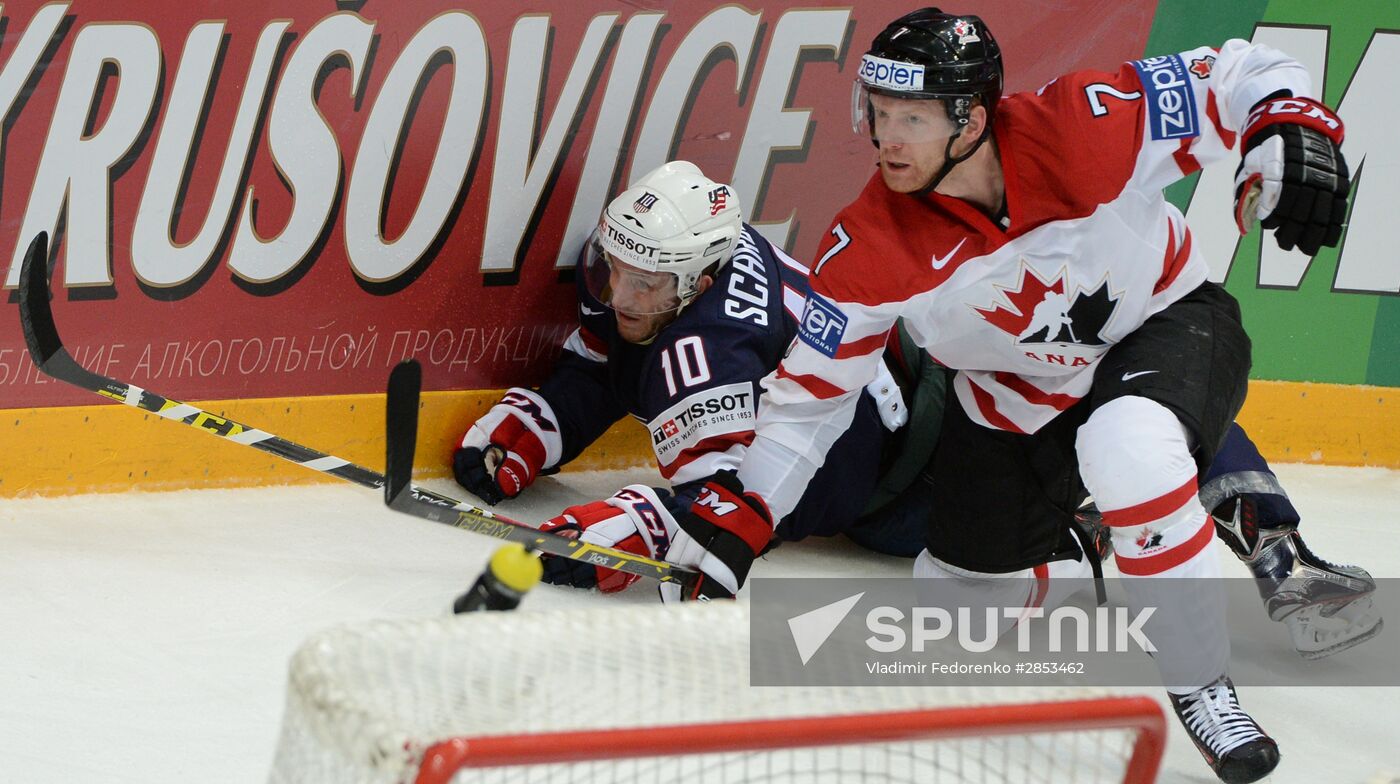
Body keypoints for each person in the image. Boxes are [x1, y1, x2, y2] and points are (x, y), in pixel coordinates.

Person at [657, 9, 1360, 783]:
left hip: (1164, 322)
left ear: (973, 120)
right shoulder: (869, 244)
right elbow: (810, 398)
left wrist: (1291, 123)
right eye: (879, 114)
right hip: (1013, 394)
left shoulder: (1083, 123)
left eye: (912, 118)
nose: (886, 138)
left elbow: (1240, 72)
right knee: (957, 600)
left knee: (1127, 444)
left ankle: (1200, 681)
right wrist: (749, 514)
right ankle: (1107, 533)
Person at [452, 161, 938, 595]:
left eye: (642, 283)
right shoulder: (684, 258)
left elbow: (734, 507)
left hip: (922, 480)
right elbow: (618, 362)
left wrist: (657, 524)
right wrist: (554, 416)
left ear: (699, 285)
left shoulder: (711, 349)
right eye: (615, 269)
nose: (618, 295)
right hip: (896, 400)